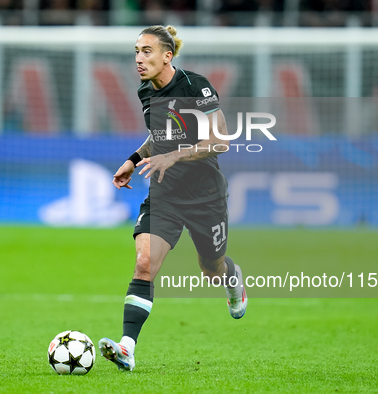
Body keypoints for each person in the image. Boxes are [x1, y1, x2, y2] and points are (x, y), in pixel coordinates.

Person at [98, 25, 247, 372]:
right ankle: (127, 347)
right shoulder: (145, 93)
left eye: (146, 51)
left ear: (168, 56)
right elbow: (158, 136)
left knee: (211, 269)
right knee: (145, 263)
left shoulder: (197, 87)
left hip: (205, 197)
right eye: (136, 51)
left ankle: (231, 277)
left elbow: (221, 141)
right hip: (164, 194)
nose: (138, 58)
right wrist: (133, 160)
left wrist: (174, 155)